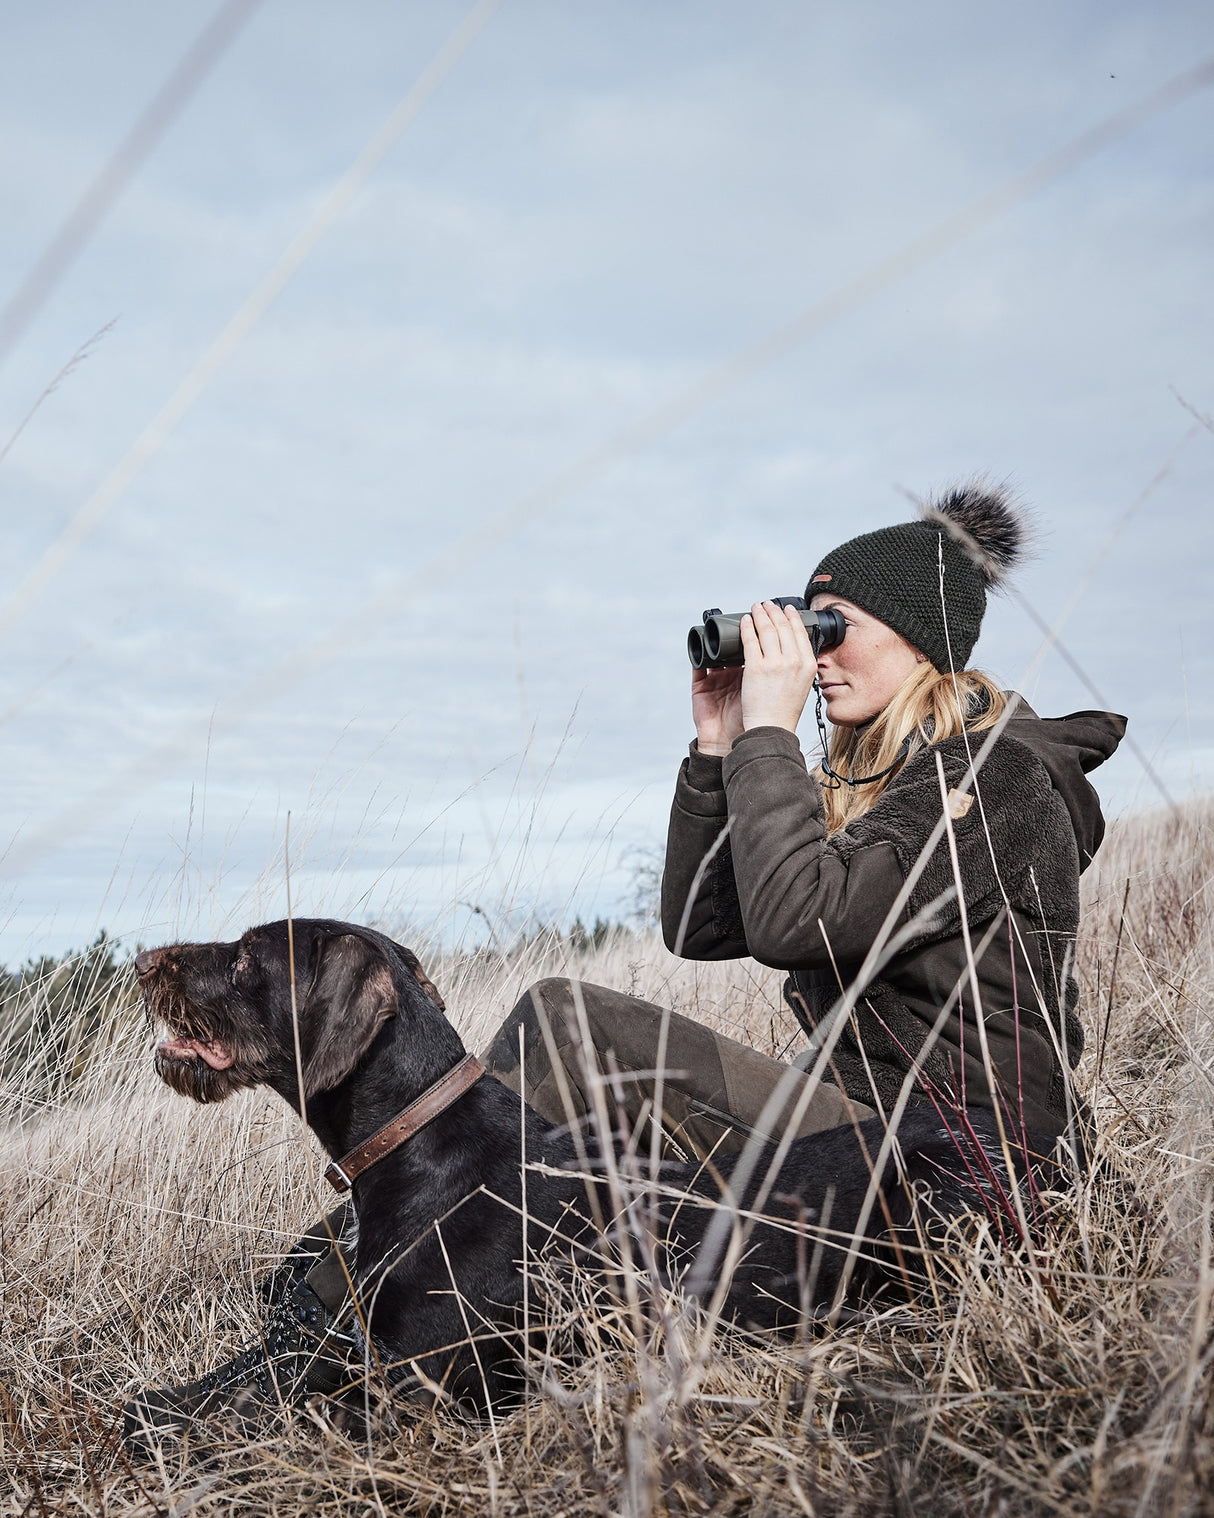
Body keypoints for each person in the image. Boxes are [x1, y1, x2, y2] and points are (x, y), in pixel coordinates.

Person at [125, 481, 1126, 1444]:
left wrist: (771, 734)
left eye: (833, 628)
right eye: (802, 627)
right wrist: (717, 743)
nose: (812, 657)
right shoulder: (888, 781)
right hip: (851, 1137)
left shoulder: (994, 781)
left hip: (962, 1152)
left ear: (923, 641)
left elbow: (796, 926)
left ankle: (361, 1308)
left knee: (568, 1020)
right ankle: (393, 1287)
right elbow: (700, 925)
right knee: (573, 1155)